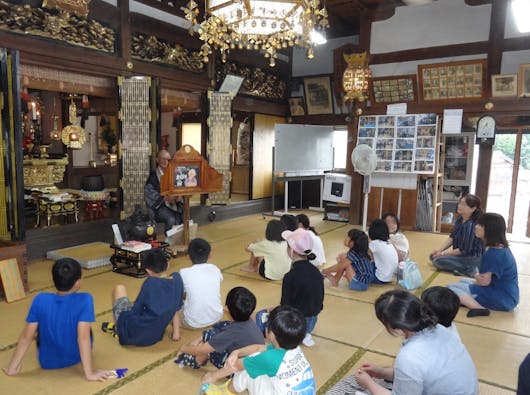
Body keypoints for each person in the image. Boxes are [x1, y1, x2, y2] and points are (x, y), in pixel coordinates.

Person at [3, 258, 111, 381]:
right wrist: (90, 373)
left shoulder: (40, 299)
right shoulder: (85, 300)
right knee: (85, 327)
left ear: (54, 279)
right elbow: (83, 338)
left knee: (42, 324)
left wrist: (12, 367)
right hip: (75, 357)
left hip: (47, 362)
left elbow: (26, 337)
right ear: (78, 283)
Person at [354, 290, 478, 395]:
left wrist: (368, 384)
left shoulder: (409, 357)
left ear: (397, 329)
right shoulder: (439, 329)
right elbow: (417, 375)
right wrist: (381, 372)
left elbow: (412, 369)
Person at [201, 305, 316, 395]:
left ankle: (227, 392)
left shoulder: (270, 358)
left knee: (248, 369)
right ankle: (229, 390)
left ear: (272, 334)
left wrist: (213, 376)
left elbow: (237, 365)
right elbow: (259, 348)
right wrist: (237, 352)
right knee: (254, 361)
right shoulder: (292, 348)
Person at [255, 228, 324, 348]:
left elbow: (285, 307)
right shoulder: (316, 271)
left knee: (260, 315)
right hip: (312, 321)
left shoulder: (290, 276)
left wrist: (273, 311)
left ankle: (299, 335)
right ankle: (305, 334)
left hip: (296, 326)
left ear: (291, 251)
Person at [104, 248, 184, 346]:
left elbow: (136, 310)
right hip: (155, 336)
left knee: (119, 289)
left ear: (148, 271)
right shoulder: (177, 279)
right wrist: (176, 333)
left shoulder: (150, 283)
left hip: (135, 334)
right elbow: (176, 307)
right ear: (167, 264)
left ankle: (118, 329)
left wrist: (122, 323)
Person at [447, 213, 519, 317]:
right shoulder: (501, 247)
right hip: (509, 295)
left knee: (451, 288)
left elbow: (484, 282)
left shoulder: (494, 253)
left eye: (480, 225)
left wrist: (475, 274)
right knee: (463, 281)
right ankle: (468, 300)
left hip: (502, 299)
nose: (476, 226)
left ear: (490, 230)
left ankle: (479, 308)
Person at [175, 286, 264, 369]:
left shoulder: (232, 332)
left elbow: (200, 350)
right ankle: (200, 344)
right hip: (252, 360)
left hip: (238, 368)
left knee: (212, 339)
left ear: (226, 308)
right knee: (223, 326)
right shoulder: (247, 320)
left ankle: (197, 360)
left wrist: (182, 348)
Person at [430, 194, 484, 277]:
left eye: (463, 204)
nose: (459, 206)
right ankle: (466, 268)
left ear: (473, 208)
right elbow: (452, 237)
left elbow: (463, 250)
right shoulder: (460, 218)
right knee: (433, 256)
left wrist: (443, 254)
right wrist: (439, 251)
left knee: (437, 261)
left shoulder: (470, 225)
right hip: (461, 255)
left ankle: (470, 269)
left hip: (472, 258)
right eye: (459, 203)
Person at [180, 238, 224, 328]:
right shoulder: (215, 268)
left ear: (188, 256)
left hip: (192, 323)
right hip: (216, 317)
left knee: (173, 299)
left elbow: (180, 293)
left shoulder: (184, 273)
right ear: (210, 255)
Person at [144, 149, 183, 232]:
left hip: (174, 204)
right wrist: (165, 198)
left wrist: (178, 196)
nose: (166, 162)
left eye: (168, 159)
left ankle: (179, 239)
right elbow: (149, 194)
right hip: (159, 207)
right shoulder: (153, 177)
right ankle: (169, 241)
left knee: (183, 215)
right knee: (171, 219)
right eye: (163, 159)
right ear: (157, 160)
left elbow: (180, 188)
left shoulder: (174, 174)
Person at [368, 219, 398, 284]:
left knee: (358, 261)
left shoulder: (375, 243)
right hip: (390, 277)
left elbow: (361, 252)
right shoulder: (388, 243)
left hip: (379, 278)